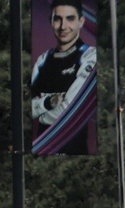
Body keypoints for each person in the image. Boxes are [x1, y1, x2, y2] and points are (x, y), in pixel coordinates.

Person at [30, 0, 97, 156]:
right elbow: (27, 109)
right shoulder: (43, 60)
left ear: (81, 21)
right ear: (51, 22)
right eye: (58, 19)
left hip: (76, 151)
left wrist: (41, 110)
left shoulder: (90, 56)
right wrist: (48, 102)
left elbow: (70, 110)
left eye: (70, 18)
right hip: (42, 151)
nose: (63, 26)